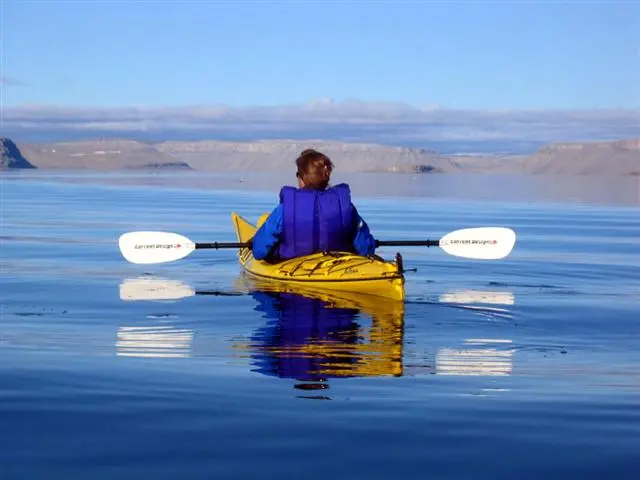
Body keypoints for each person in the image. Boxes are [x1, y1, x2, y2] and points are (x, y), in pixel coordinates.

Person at [251, 148, 377, 262]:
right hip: (339, 265)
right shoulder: (345, 207)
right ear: (327, 178)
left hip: (294, 268)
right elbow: (366, 249)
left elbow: (259, 250)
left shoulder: (285, 210)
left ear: (301, 178)